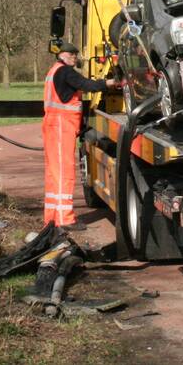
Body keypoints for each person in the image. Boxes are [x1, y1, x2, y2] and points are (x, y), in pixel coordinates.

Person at [42, 42, 118, 231]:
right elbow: (85, 84)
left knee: (53, 173)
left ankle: (52, 217)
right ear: (62, 55)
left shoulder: (54, 70)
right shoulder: (66, 72)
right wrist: (109, 83)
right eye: (72, 54)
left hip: (54, 126)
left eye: (76, 55)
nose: (75, 58)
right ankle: (65, 219)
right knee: (64, 172)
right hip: (61, 127)